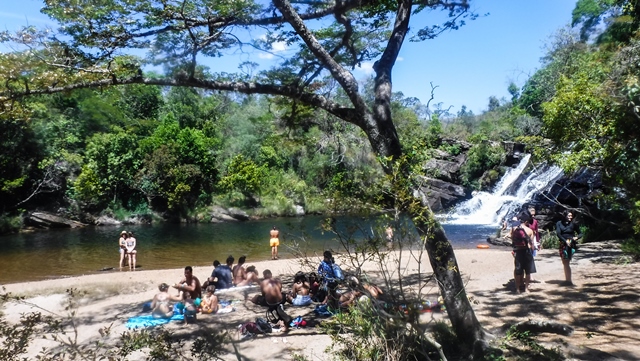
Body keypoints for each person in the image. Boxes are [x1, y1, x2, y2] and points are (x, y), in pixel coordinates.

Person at [510, 212, 536, 293]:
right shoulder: (530, 230)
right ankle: (526, 288)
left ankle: (517, 288)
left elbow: (512, 238)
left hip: (517, 251)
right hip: (526, 251)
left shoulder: (514, 229)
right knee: (527, 271)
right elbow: (531, 243)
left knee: (518, 270)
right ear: (526, 222)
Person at [556, 210, 581, 285]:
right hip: (563, 243)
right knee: (564, 262)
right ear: (565, 216)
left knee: (566, 261)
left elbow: (580, 233)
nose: (570, 217)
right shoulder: (559, 223)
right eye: (569, 216)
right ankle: (567, 279)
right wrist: (565, 241)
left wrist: (576, 238)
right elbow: (558, 234)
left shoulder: (574, 224)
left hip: (571, 243)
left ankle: (569, 281)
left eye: (571, 216)